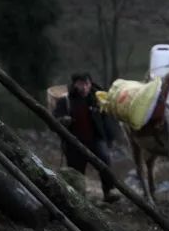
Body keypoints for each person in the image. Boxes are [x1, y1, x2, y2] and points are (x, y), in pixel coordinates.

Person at [52, 72, 121, 203]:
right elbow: (54, 120)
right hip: (74, 142)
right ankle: (79, 198)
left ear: (90, 84)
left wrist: (110, 138)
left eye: (87, 84)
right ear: (74, 85)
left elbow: (106, 120)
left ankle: (109, 192)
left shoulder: (98, 99)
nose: (84, 88)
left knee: (105, 162)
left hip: (95, 139)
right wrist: (63, 120)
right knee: (76, 172)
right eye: (81, 84)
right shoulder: (65, 101)